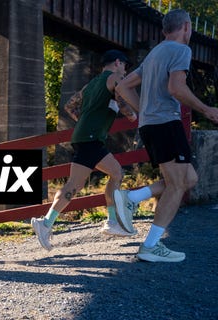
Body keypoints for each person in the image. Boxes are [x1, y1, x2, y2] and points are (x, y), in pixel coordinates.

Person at [116, 9, 218, 262]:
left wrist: (145, 110)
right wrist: (207, 109)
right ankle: (151, 246)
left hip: (152, 125)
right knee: (177, 184)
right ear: (186, 26)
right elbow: (176, 88)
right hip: (166, 124)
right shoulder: (181, 50)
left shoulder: (154, 53)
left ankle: (133, 197)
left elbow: (122, 86)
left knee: (189, 178)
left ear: (164, 30)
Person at [30, 49, 140, 251]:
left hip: (86, 137)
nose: (125, 71)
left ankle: (108, 222)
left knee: (105, 175)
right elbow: (121, 97)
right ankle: (48, 224)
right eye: (125, 66)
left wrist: (85, 121)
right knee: (94, 179)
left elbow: (70, 105)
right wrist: (133, 115)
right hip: (90, 138)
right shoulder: (114, 77)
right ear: (117, 62)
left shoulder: (92, 84)